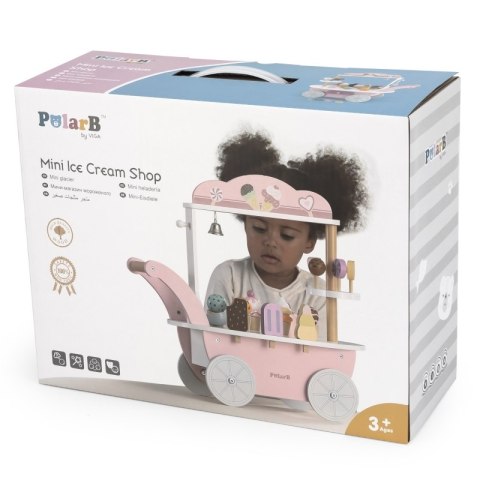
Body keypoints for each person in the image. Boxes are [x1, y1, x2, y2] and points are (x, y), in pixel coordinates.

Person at [204, 130, 369, 336]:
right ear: (245, 224)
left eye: (287, 235)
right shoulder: (229, 276)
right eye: (259, 228)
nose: (270, 241)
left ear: (309, 241)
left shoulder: (318, 293)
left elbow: (319, 347)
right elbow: (213, 336)